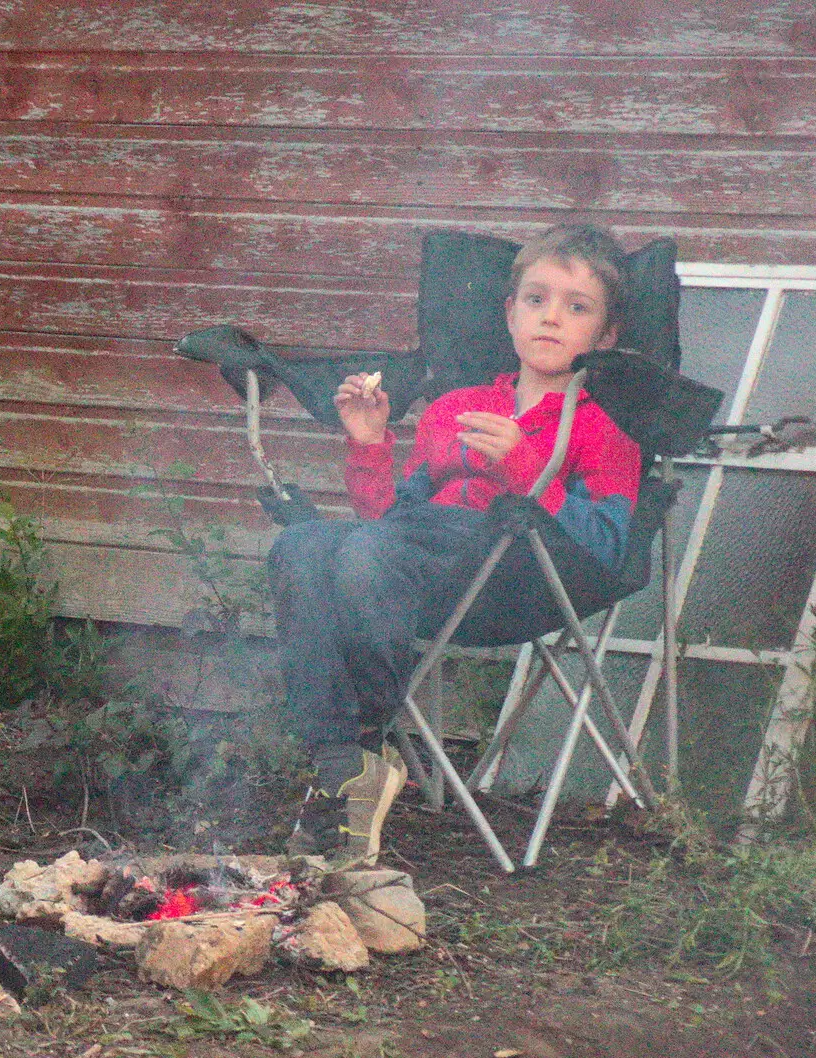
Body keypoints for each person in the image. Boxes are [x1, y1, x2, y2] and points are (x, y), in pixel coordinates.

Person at [270, 224, 642, 863]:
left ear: (604, 336)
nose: (551, 318)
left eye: (576, 307)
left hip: (515, 576)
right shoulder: (453, 409)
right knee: (300, 547)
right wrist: (369, 442)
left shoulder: (603, 430)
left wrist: (528, 470)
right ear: (509, 312)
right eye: (535, 299)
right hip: (420, 559)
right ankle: (344, 766)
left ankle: (360, 745)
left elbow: (603, 546)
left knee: (363, 556)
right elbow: (391, 522)